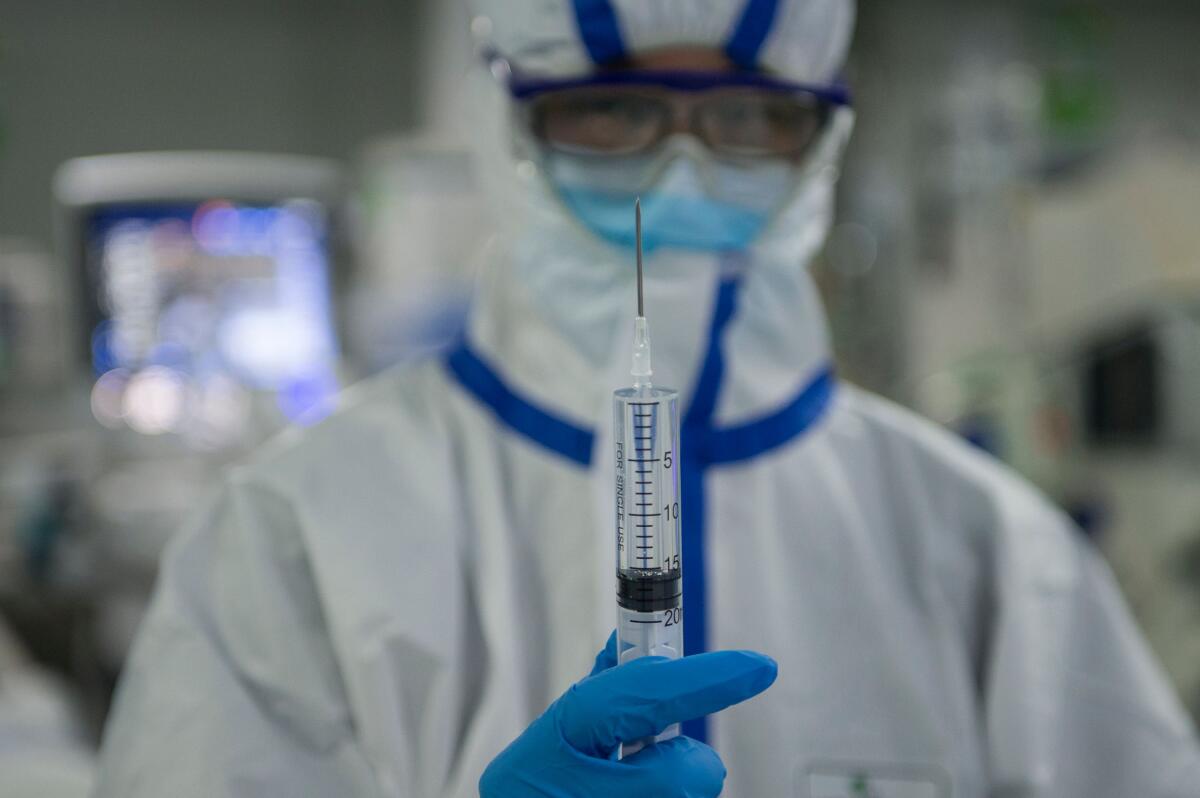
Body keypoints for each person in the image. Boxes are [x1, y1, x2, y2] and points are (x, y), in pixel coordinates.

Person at [94, 1, 1200, 796]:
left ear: (818, 141)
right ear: (511, 121)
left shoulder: (992, 547)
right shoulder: (295, 531)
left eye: (749, 118)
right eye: (613, 110)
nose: (680, 171)